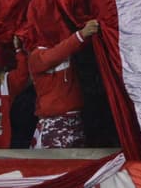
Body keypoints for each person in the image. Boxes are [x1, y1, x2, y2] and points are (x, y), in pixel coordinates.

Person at [27, 19, 99, 148]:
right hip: (53, 123)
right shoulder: (36, 57)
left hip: (75, 121)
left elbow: (76, 45)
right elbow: (55, 55)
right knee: (54, 167)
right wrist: (80, 34)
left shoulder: (67, 48)